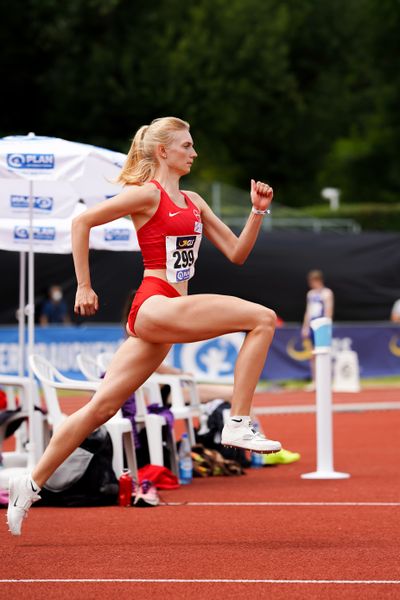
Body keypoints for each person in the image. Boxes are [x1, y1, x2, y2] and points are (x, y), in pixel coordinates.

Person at [7, 116, 281, 535]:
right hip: (155, 305)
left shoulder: (194, 201)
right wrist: (84, 285)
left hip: (171, 312)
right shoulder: (145, 196)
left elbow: (237, 253)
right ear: (163, 152)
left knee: (102, 407)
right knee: (262, 318)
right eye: (186, 146)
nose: (194, 153)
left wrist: (257, 213)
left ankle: (29, 483)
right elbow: (81, 223)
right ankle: (238, 423)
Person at [301, 269, 334, 391]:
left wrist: (327, 327)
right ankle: (315, 381)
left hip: (322, 326)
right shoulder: (310, 294)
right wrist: (305, 327)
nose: (311, 284)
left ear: (318, 280)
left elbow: (328, 310)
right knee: (312, 354)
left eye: (313, 281)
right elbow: (308, 311)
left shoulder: (327, 293)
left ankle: (327, 381)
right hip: (312, 326)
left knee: (324, 353)